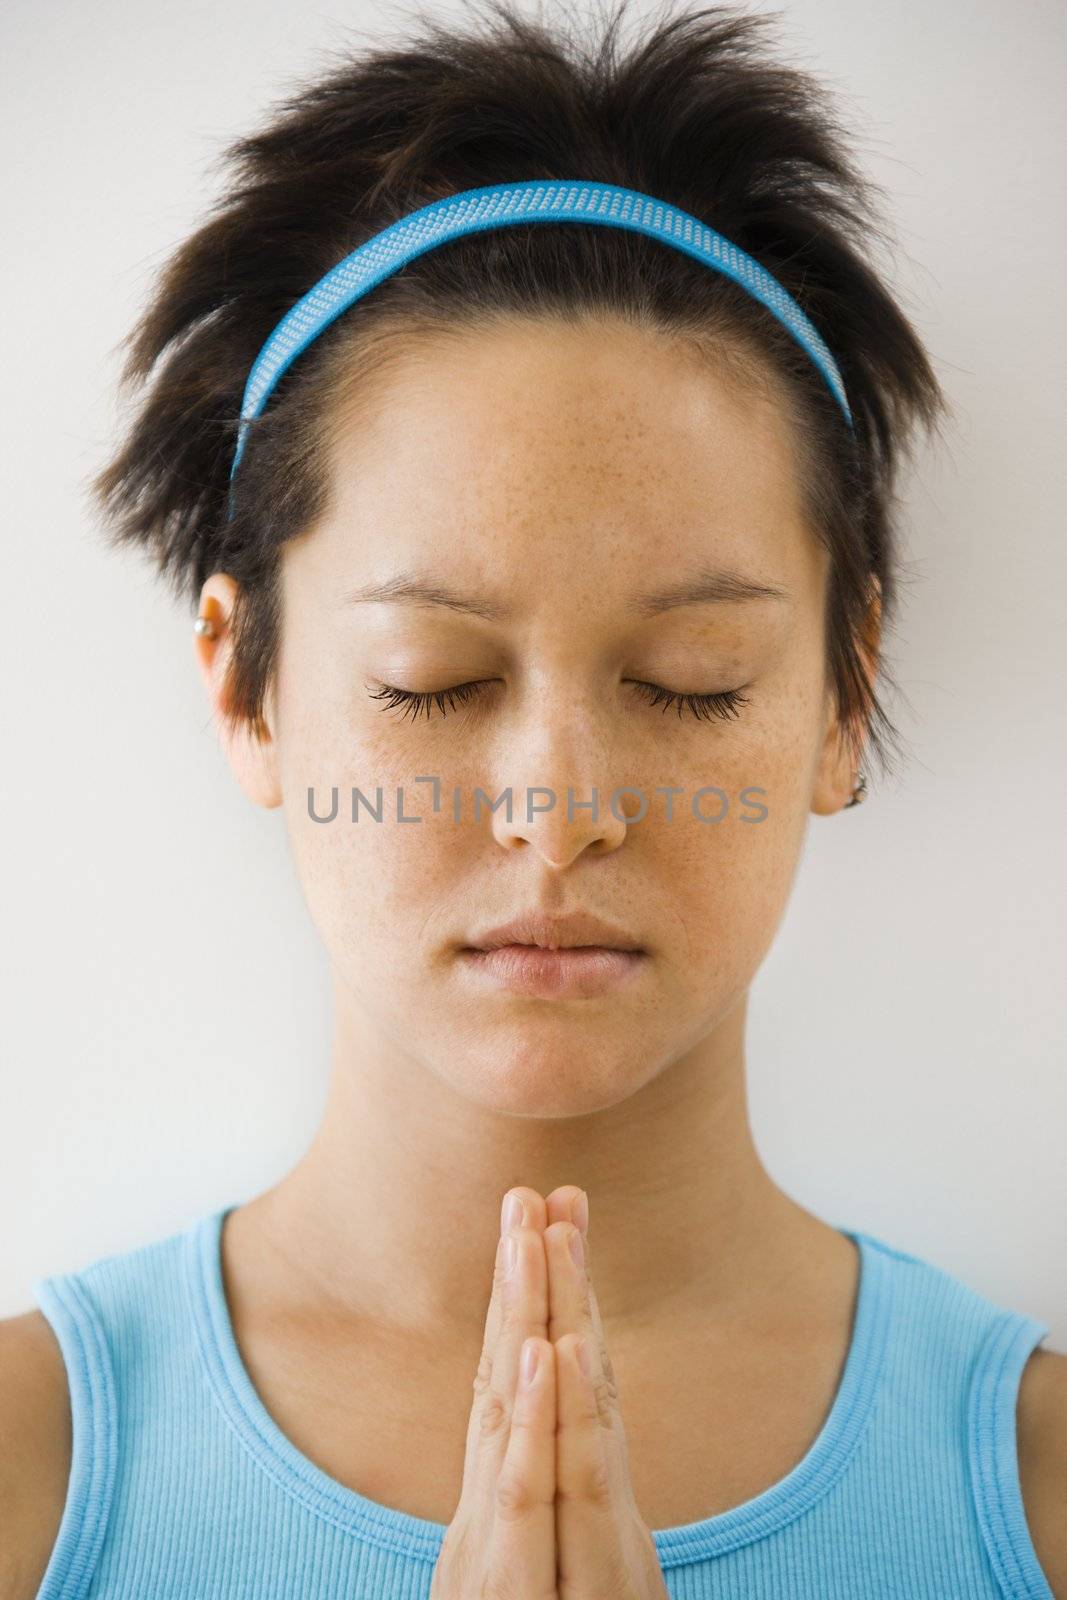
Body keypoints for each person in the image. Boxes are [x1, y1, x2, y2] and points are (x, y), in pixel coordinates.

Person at [3, 2, 1064, 1596]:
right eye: (433, 679)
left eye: (695, 679)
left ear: (844, 694)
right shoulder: (33, 1476)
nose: (558, 811)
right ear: (245, 688)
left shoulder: (1041, 1499)